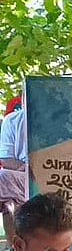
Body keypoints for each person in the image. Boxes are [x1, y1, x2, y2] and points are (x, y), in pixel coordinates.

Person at [0, 99, 28, 241]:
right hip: (23, 174)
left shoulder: (59, 117)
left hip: (53, 171)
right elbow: (6, 160)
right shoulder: (12, 120)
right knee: (3, 179)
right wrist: (27, 169)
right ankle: (12, 245)